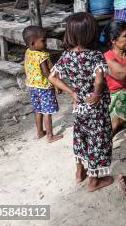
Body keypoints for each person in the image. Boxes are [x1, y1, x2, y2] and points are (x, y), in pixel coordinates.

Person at [48, 13, 113, 192]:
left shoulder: (67, 56)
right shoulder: (95, 56)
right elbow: (99, 79)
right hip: (95, 108)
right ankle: (94, 181)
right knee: (97, 141)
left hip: (79, 107)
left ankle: (79, 173)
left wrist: (71, 92)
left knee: (81, 138)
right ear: (91, 33)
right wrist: (97, 93)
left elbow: (52, 77)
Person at [22, 26, 63, 143]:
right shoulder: (42, 55)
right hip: (44, 88)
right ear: (33, 43)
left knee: (38, 110)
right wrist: (56, 85)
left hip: (32, 86)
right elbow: (46, 73)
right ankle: (50, 135)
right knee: (47, 111)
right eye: (43, 40)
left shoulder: (28, 52)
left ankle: (40, 132)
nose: (46, 43)